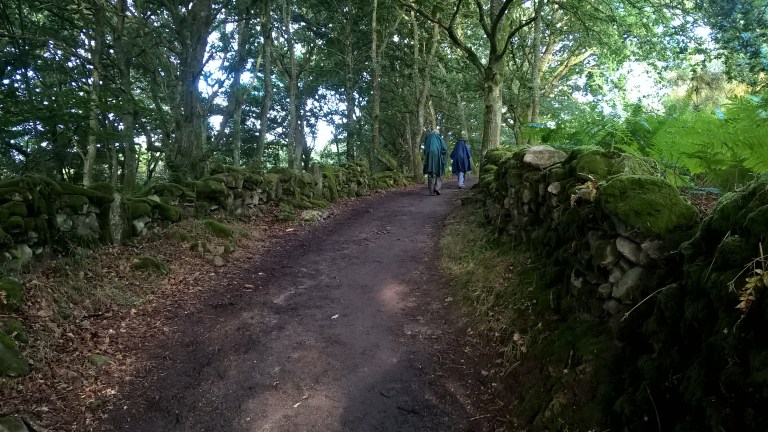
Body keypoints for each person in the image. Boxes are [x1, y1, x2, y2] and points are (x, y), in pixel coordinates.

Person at [422, 128, 447, 195]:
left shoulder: (427, 138)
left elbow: (425, 149)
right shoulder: (438, 138)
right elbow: (444, 149)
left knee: (430, 173)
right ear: (437, 133)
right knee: (439, 172)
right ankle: (437, 188)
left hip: (428, 157)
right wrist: (441, 153)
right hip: (438, 157)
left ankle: (431, 191)